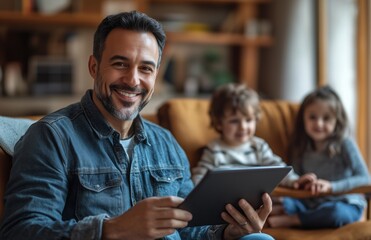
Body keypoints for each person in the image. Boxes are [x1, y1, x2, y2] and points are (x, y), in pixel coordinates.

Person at [0, 11, 275, 240]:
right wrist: (113, 229)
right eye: (120, 63)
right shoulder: (52, 137)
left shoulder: (166, 142)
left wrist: (228, 232)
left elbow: (190, 227)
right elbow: (21, 230)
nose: (132, 80)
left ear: (155, 75)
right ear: (94, 67)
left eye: (145, 68)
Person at [267, 86, 370, 229]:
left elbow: (365, 179)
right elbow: (295, 177)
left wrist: (331, 187)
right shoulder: (300, 146)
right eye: (312, 117)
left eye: (326, 118)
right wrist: (303, 181)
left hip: (344, 202)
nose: (319, 123)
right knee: (277, 201)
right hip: (310, 203)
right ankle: (305, 217)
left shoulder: (345, 144)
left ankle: (293, 220)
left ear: (337, 120)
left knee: (336, 213)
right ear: (303, 119)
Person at [192, 83, 313, 189]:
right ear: (219, 123)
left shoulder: (259, 146)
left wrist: (295, 181)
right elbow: (200, 177)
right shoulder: (214, 149)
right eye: (234, 121)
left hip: (256, 203)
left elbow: (277, 169)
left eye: (248, 120)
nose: (243, 127)